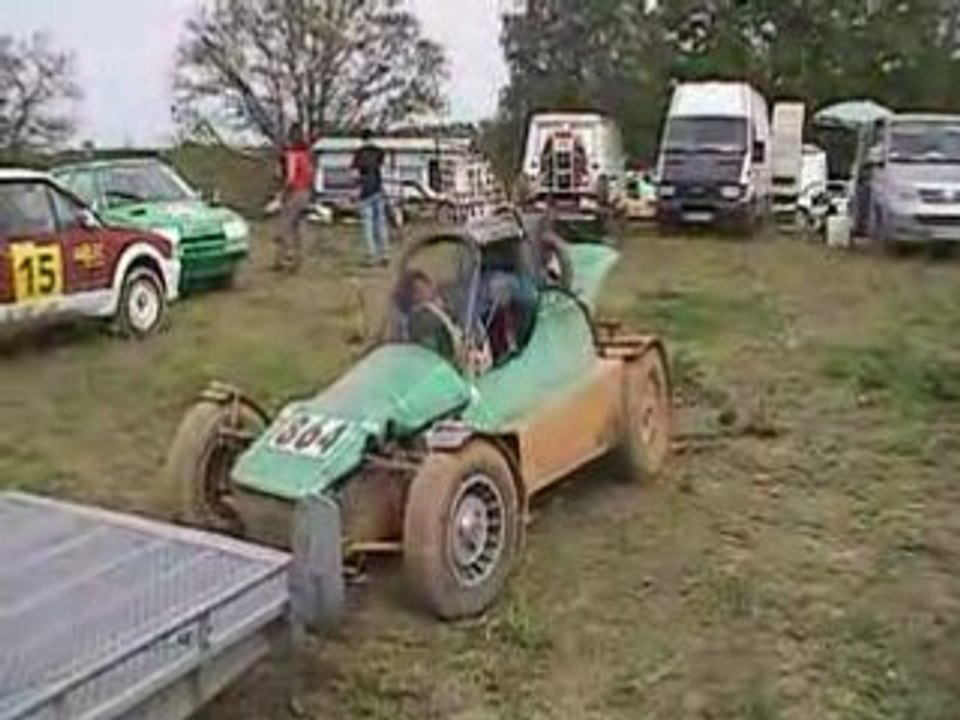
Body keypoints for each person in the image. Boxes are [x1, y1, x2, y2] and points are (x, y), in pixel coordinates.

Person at [274, 123, 314, 273]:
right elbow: (311, 174)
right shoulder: (306, 155)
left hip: (294, 193)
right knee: (299, 227)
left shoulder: (292, 155)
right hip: (306, 193)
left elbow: (290, 177)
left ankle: (285, 259)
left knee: (285, 226)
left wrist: (283, 192)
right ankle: (299, 259)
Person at [351, 130, 389, 266]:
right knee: (380, 223)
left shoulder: (359, 153)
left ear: (362, 139)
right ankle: (384, 254)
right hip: (378, 189)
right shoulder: (380, 152)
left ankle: (371, 256)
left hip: (365, 192)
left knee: (368, 224)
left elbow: (354, 174)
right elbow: (382, 169)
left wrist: (355, 188)